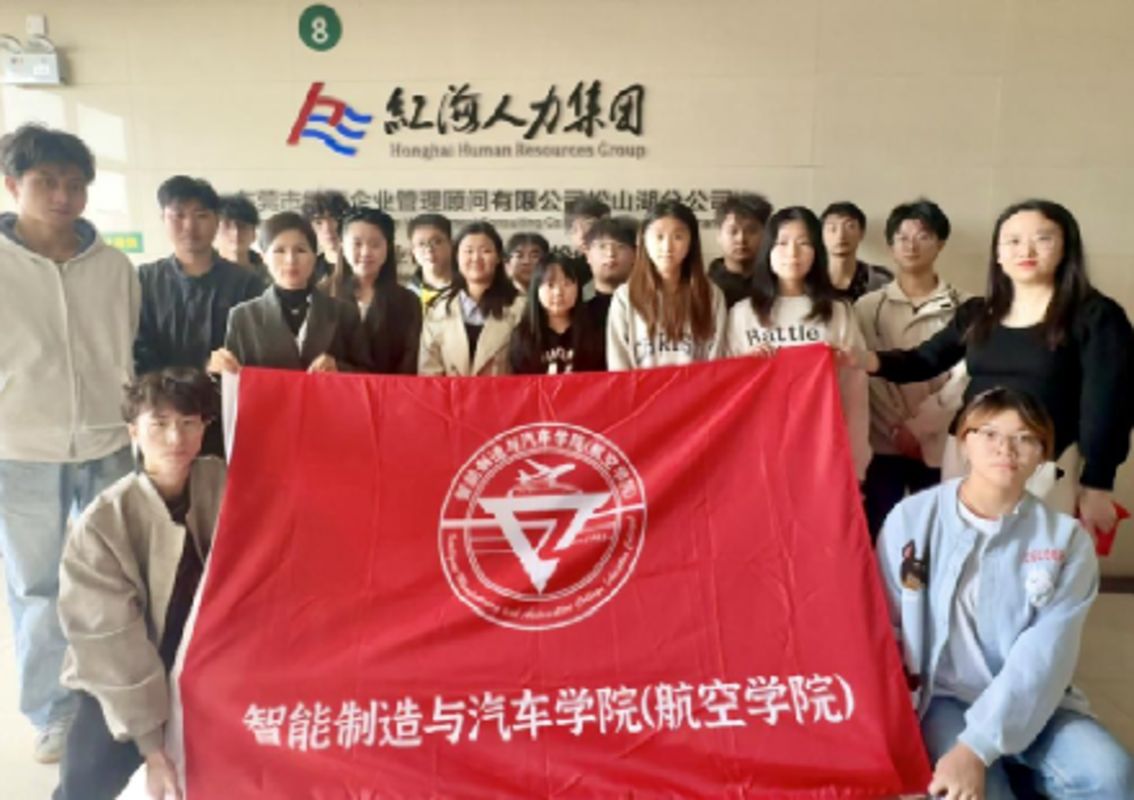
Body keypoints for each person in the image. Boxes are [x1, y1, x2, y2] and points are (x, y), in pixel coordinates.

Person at [877, 388, 1134, 800]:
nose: (1006, 449)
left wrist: (976, 748)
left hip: (1039, 700)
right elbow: (885, 624)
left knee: (1112, 777)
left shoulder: (1065, 540)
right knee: (977, 793)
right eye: (990, 433)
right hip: (943, 698)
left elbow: (1045, 655)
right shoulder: (912, 518)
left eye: (1025, 438)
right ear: (964, 443)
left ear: (1043, 454)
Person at [848, 200, 1134, 535]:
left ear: (1066, 246)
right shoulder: (979, 312)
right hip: (968, 457)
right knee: (962, 550)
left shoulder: (1096, 316)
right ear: (998, 253)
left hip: (1046, 463)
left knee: (1036, 557)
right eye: (1012, 241)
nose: (1025, 250)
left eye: (1042, 239)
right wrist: (865, 359)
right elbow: (924, 360)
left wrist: (1097, 483)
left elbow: (1109, 406)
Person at [0, 123, 139, 762]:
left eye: (75, 184)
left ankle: (119, 694)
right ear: (13, 186)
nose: (62, 196)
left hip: (108, 442)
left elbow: (127, 346)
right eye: (47, 182)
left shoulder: (114, 267)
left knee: (115, 576)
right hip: (20, 447)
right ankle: (53, 712)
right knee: (36, 587)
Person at [54, 368, 226, 800]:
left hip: (208, 661)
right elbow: (110, 640)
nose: (175, 438)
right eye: (159, 424)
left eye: (188, 423)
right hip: (125, 671)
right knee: (87, 775)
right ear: (133, 431)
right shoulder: (103, 522)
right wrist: (152, 746)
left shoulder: (223, 484)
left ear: (205, 428)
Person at [725, 206, 870, 481]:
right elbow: (726, 387)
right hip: (760, 453)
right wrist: (746, 367)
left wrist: (856, 463)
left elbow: (855, 391)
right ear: (768, 251)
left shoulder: (838, 312)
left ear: (816, 252)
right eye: (782, 243)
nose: (792, 253)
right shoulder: (743, 314)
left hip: (823, 453)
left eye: (803, 243)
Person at [856, 199, 968, 538]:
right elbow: (866, 372)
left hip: (943, 445)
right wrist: (898, 429)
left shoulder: (966, 306)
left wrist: (921, 427)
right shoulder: (867, 307)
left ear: (941, 243)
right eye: (902, 237)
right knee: (879, 535)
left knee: (939, 535)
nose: (911, 245)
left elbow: (966, 376)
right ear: (890, 246)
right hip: (883, 443)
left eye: (923, 236)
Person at [135, 177, 265, 456]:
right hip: (161, 417)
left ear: (216, 220)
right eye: (178, 215)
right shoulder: (144, 280)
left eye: (201, 215)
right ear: (163, 219)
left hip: (224, 417)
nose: (189, 226)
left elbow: (256, 350)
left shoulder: (246, 284)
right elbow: (137, 347)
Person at [208, 212, 368, 374]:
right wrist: (219, 369)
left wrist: (339, 368)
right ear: (264, 257)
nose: (290, 260)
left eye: (300, 250)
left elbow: (369, 375)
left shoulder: (344, 313)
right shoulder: (243, 317)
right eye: (279, 251)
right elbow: (232, 380)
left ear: (314, 256)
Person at [606, 201, 727, 370]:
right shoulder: (626, 296)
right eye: (659, 237)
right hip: (641, 387)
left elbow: (716, 362)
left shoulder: (710, 294)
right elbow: (618, 363)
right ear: (643, 239)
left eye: (678, 237)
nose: (667, 247)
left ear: (691, 241)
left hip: (697, 387)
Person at [323, 206, 422, 374]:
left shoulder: (408, 302)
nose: (366, 252)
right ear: (342, 246)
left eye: (375, 244)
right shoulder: (321, 295)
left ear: (388, 248)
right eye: (357, 244)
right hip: (333, 389)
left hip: (389, 389)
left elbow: (409, 366)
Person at [419, 220, 525, 376]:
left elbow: (527, 368)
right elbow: (429, 372)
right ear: (456, 257)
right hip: (450, 392)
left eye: (485, 251)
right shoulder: (438, 309)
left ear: (498, 257)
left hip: (504, 391)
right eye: (468, 251)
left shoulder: (521, 307)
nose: (476, 258)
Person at [508, 253, 605, 375]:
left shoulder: (594, 331)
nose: (558, 292)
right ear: (536, 289)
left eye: (567, 284)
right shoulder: (523, 336)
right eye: (550, 285)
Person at [708, 193, 773, 308]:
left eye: (751, 230)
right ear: (719, 236)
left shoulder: (777, 284)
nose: (741, 238)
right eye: (733, 231)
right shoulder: (706, 286)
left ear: (766, 235)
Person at [821, 201, 893, 301]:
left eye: (849, 226)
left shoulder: (881, 279)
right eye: (832, 228)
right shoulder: (810, 278)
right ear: (821, 235)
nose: (841, 235)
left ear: (862, 233)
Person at [583, 215, 638, 335]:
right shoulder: (574, 303)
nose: (610, 254)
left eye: (620, 246)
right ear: (587, 255)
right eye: (602, 246)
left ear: (635, 255)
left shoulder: (648, 303)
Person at [215, 193, 269, 283]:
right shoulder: (201, 276)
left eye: (242, 226)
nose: (236, 232)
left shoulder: (272, 275)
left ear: (254, 233)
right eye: (227, 226)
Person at [300, 190, 349, 283]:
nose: (327, 228)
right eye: (318, 222)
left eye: (333, 219)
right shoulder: (309, 270)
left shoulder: (362, 263)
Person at [406, 212, 455, 306]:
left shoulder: (469, 289)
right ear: (413, 250)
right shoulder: (405, 297)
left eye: (437, 242)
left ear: (451, 244)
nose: (429, 249)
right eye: (421, 244)